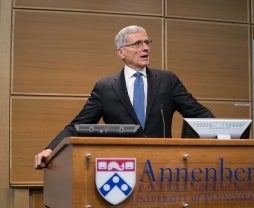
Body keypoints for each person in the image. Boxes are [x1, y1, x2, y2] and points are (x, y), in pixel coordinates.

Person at [34, 25, 214, 169]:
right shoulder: (105, 87)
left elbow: (198, 113)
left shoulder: (167, 80)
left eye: (146, 42)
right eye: (137, 44)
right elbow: (77, 126)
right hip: (122, 168)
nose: (145, 48)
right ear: (121, 52)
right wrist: (50, 149)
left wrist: (227, 134)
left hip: (163, 165)